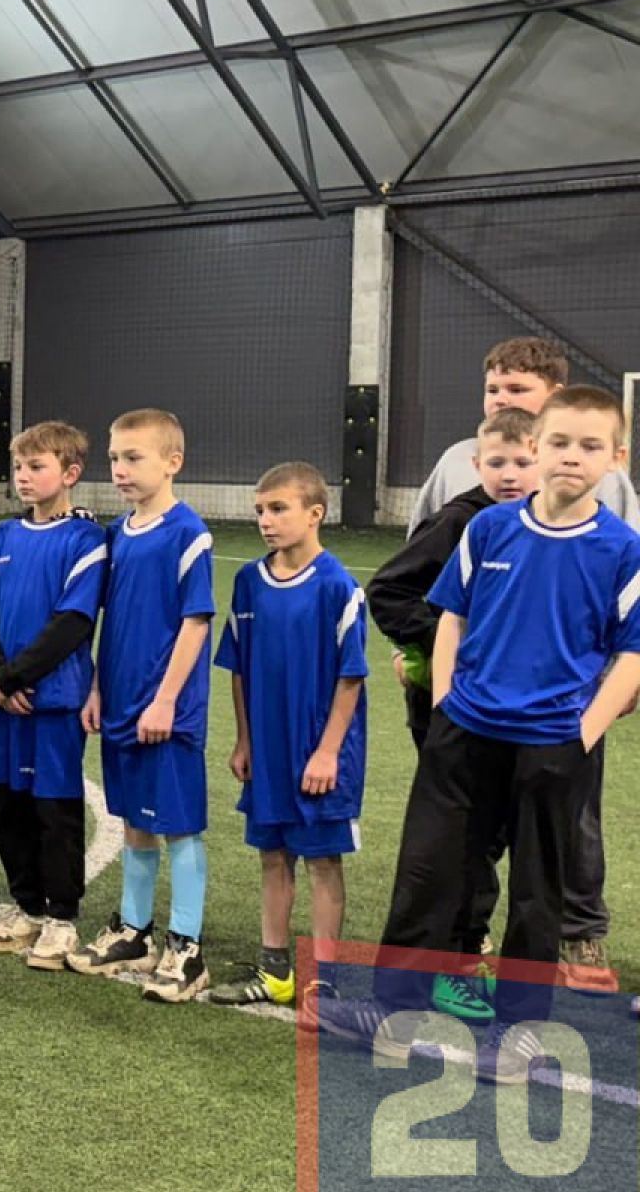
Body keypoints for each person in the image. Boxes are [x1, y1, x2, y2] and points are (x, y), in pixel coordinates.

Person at [342, 387, 640, 1084]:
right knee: (428, 871)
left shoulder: (623, 550)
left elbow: (631, 655)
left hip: (554, 745)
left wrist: (583, 732)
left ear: (616, 458)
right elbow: (452, 616)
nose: (572, 456)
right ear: (536, 446)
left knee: (539, 891)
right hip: (465, 732)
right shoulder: (489, 528)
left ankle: (519, 1032)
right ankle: (394, 1011)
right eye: (559, 442)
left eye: (590, 446)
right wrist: (446, 701)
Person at [367, 409, 538, 1004]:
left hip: (509, 711)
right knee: (458, 840)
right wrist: (452, 647)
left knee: (490, 838)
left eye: (522, 462)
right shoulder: (460, 521)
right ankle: (452, 963)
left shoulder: (542, 525)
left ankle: (464, 951)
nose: (510, 474)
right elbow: (387, 591)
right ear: (476, 463)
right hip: (450, 708)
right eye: (498, 462)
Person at [67, 408, 215, 1004]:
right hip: (121, 703)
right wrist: (97, 687)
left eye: (133, 457)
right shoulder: (117, 534)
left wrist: (166, 700)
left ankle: (187, 946)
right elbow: (110, 619)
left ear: (172, 462)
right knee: (133, 819)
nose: (120, 469)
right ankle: (134, 930)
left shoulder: (188, 533)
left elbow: (196, 622)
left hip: (166, 712)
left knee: (178, 825)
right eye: (114, 459)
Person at [207, 463, 367, 1010]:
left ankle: (325, 982)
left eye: (278, 509)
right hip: (269, 751)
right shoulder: (249, 581)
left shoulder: (338, 586)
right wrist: (244, 741)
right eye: (260, 510)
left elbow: (351, 677)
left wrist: (327, 752)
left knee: (323, 861)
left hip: (318, 752)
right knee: (272, 855)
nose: (265, 520)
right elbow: (239, 668)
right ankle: (275, 970)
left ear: (314, 513)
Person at [0, 422, 107, 970]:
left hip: (52, 700)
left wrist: (13, 677)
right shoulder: (4, 536)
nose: (23, 477)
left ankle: (61, 919)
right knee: (8, 809)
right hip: (4, 701)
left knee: (55, 810)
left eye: (36, 467)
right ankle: (26, 907)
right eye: (19, 467)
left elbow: (72, 622)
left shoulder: (86, 540)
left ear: (70, 473)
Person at [409, 337, 638, 534]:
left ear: (555, 395)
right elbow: (422, 541)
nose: (500, 399)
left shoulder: (594, 467)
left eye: (516, 390)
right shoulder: (456, 460)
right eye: (492, 390)